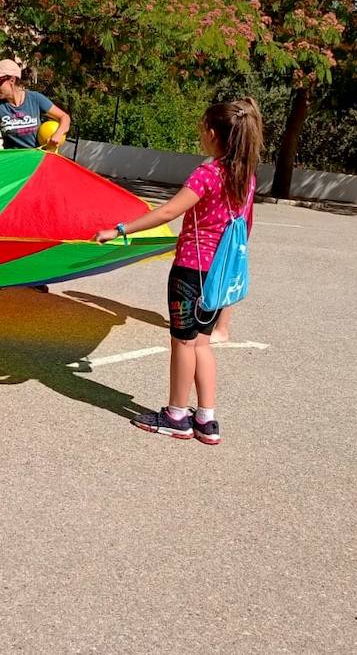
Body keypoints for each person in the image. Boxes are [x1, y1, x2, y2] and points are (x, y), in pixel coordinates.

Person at [92, 98, 264, 446]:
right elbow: (246, 227)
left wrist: (121, 229)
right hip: (219, 274)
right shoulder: (246, 178)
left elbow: (169, 211)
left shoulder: (208, 174)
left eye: (202, 128)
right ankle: (206, 419)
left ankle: (175, 416)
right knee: (202, 343)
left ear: (213, 134)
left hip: (191, 272)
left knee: (183, 343)